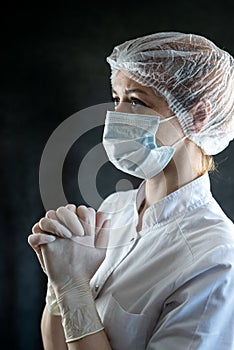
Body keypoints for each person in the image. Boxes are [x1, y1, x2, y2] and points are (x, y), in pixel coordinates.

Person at [28, 31, 234, 350]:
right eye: (116, 98)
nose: (117, 116)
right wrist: (59, 285)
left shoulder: (216, 259)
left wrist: (74, 288)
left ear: (197, 116)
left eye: (137, 101)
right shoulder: (113, 209)